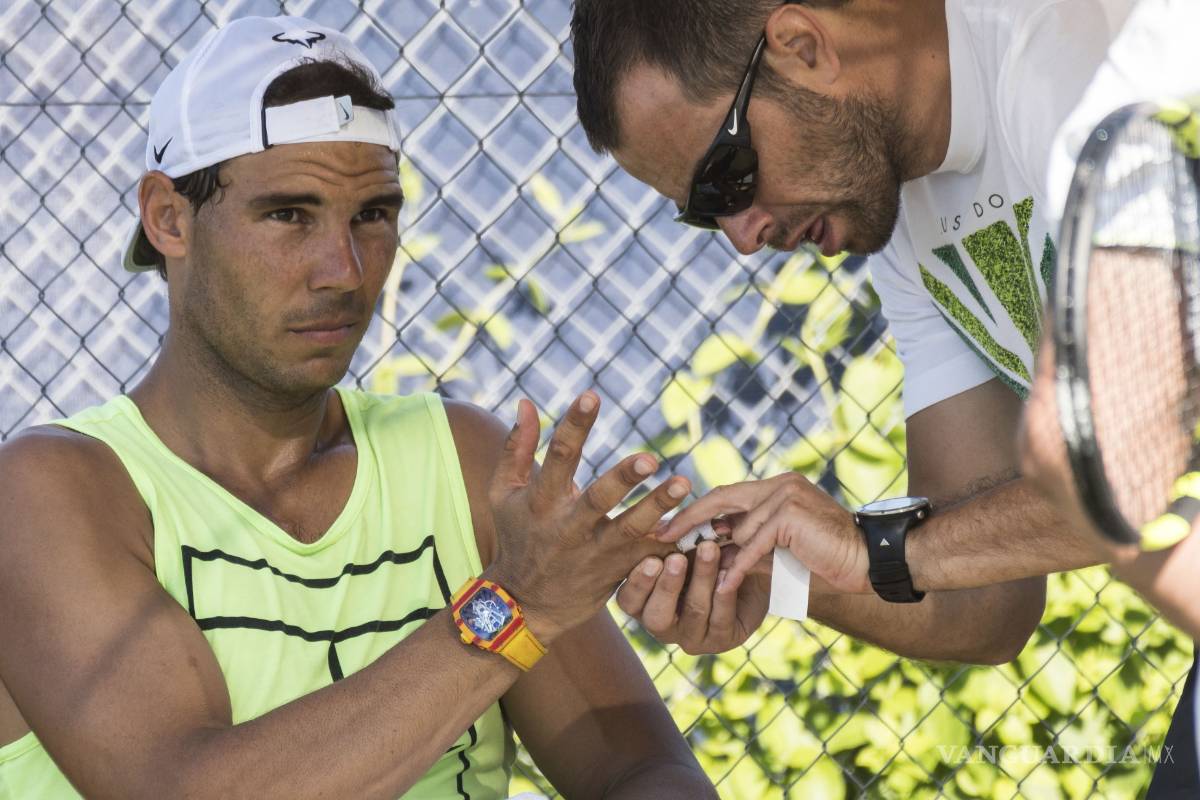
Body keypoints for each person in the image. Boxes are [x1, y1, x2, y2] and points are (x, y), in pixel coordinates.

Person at [0, 16, 716, 799]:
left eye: (372, 214)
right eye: (288, 215)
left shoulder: (464, 460)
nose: (343, 270)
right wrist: (512, 607)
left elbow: (644, 770)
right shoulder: (52, 492)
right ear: (169, 218)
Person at [568, 0, 1142, 663]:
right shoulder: (900, 208)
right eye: (703, 215)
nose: (743, 239)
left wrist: (878, 550)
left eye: (726, 179)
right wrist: (775, 570)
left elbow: (1146, 459)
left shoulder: (1075, 58)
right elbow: (988, 604)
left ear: (802, 45)